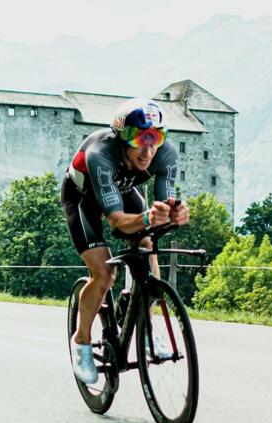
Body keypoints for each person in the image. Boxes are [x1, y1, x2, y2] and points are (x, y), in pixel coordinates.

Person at [61, 98, 190, 384]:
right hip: (82, 200)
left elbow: (164, 206)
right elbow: (117, 220)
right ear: (122, 138)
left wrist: (175, 214)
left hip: (122, 191)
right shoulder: (100, 154)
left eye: (155, 139)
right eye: (140, 139)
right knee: (104, 273)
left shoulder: (165, 154)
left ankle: (145, 324)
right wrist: (148, 218)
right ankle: (81, 340)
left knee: (147, 247)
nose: (148, 150)